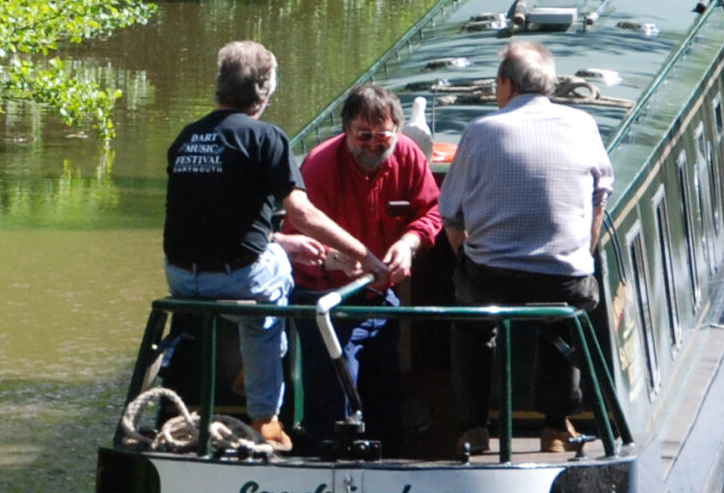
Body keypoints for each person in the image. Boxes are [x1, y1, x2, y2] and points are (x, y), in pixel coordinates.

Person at [163, 41, 392, 451]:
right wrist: (364, 254)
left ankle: (255, 372)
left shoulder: (185, 137)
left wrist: (284, 241)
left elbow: (212, 218)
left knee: (274, 256)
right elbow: (301, 213)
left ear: (220, 87)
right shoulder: (266, 137)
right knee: (276, 289)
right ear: (265, 91)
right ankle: (266, 414)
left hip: (180, 279)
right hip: (236, 279)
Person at [439, 40, 613, 455]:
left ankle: (474, 429)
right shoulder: (583, 124)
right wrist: (580, 255)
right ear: (549, 86)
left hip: (491, 278)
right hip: (563, 279)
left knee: (471, 322)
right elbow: (599, 198)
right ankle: (555, 427)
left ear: (504, 85)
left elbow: (449, 214)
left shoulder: (480, 131)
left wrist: (468, 256)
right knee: (562, 320)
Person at [285, 83, 443, 439]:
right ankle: (323, 474)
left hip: (381, 299)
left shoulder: (410, 157)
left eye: (382, 136)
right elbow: (295, 241)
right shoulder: (319, 167)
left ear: (398, 132)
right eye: (363, 135)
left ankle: (387, 474)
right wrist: (331, 260)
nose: (373, 144)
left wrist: (409, 242)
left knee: (385, 397)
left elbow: (431, 210)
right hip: (328, 303)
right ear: (346, 130)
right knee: (334, 406)